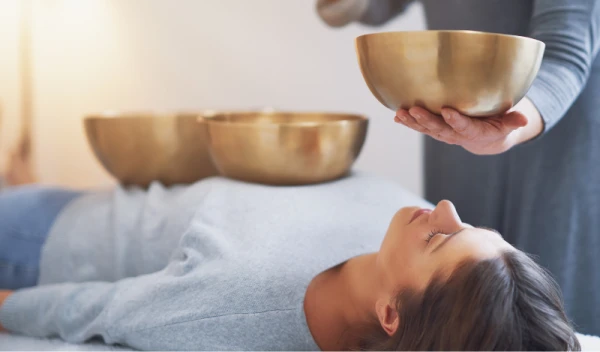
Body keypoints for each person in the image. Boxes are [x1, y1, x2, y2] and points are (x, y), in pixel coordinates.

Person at [268, 0, 600, 334]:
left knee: (534, 317)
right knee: (446, 317)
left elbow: (565, 51)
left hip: (551, 138)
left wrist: (509, 128)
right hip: (459, 134)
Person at [0, 173, 580, 350]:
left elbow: (100, 309)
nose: (446, 209)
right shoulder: (409, 233)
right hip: (97, 192)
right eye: (476, 226)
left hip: (41, 242)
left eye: (442, 239)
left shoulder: (236, 304)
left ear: (390, 315)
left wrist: (10, 306)